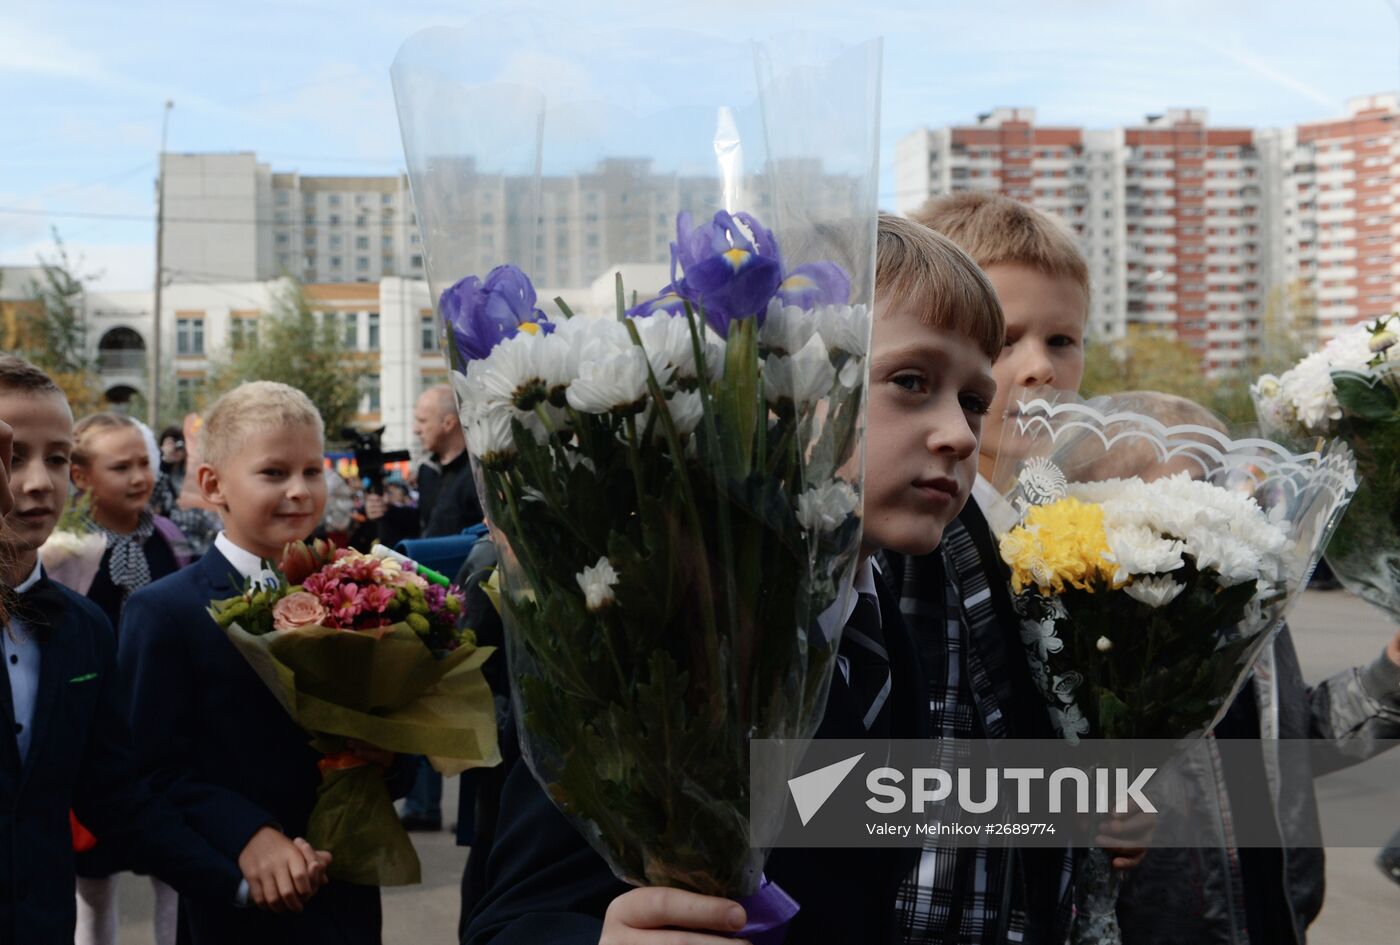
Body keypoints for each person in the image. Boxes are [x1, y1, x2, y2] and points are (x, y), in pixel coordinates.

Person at [461, 213, 1004, 943]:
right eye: (912, 381)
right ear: (770, 376)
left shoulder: (887, 638)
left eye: (974, 399)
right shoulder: (662, 631)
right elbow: (516, 916)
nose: (962, 434)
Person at [0, 355, 329, 945]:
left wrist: (237, 884)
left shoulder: (85, 629)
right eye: (9, 456)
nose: (36, 481)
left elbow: (116, 796)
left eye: (55, 458)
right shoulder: (156, 610)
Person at [118, 381, 410, 945]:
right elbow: (149, 774)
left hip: (345, 898)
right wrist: (247, 835)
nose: (300, 491)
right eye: (274, 473)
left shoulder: (361, 595)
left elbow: (400, 738)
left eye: (312, 470)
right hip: (235, 903)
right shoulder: (166, 611)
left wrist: (388, 756)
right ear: (212, 484)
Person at [64, 412, 197, 941]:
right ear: (81, 477)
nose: (140, 476)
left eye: (144, 462)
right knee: (93, 887)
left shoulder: (169, 536)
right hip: (94, 740)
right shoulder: (63, 550)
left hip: (164, 733)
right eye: (120, 467)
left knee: (175, 874)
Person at [366, 384, 485, 832]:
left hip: (468, 608)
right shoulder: (431, 475)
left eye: (421, 421)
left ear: (448, 422)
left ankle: (468, 812)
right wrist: (387, 516)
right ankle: (422, 803)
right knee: (419, 704)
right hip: (428, 604)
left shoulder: (479, 473)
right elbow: (423, 528)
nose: (416, 429)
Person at [149, 424, 221, 560]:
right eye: (171, 443)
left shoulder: (194, 474)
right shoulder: (158, 474)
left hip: (201, 543)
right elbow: (151, 500)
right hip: (171, 541)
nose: (176, 448)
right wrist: (164, 464)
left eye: (180, 443)